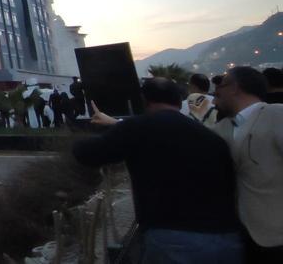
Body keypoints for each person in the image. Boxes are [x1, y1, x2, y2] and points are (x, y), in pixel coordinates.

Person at [73, 77, 242, 263]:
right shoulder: (212, 137)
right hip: (226, 238)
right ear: (179, 101)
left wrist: (81, 136)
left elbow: (88, 154)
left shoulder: (138, 128)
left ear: (144, 100)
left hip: (172, 239)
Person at [212, 66, 283, 263]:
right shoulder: (221, 129)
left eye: (221, 87)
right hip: (244, 235)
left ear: (235, 88)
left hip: (278, 236)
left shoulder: (277, 115)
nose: (216, 94)